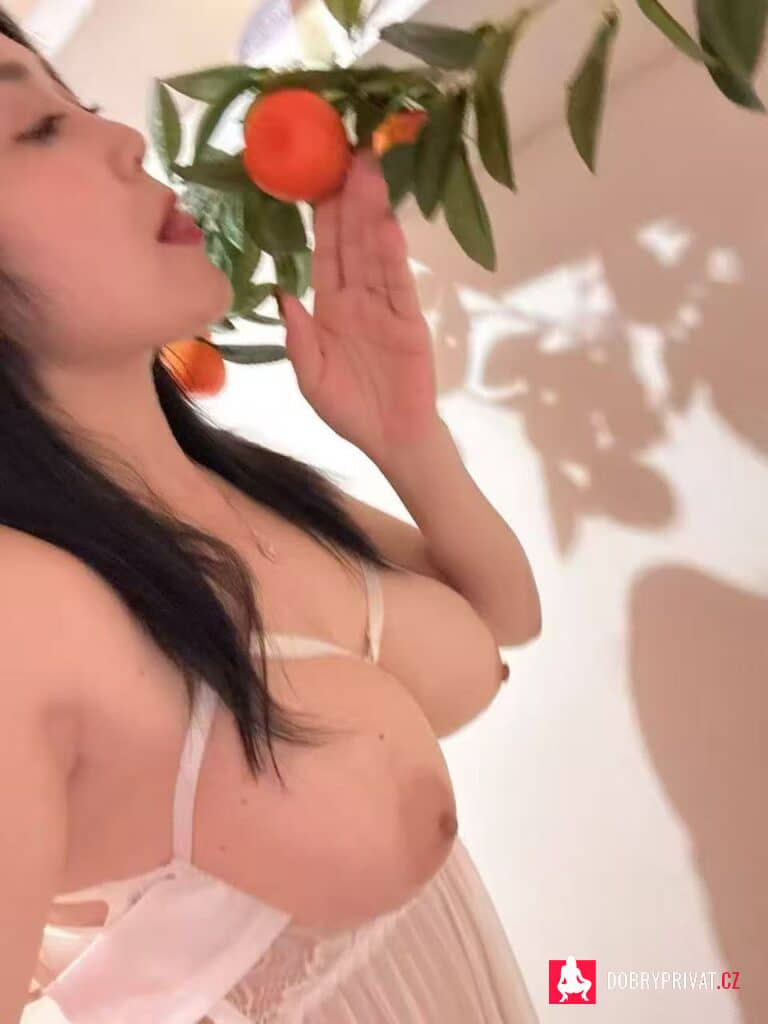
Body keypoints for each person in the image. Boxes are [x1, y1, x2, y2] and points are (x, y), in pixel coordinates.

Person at [0, 7, 542, 1022]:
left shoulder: (233, 484)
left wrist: (408, 438)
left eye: (83, 106)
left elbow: (503, 622)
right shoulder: (21, 607)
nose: (125, 139)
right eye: (37, 130)